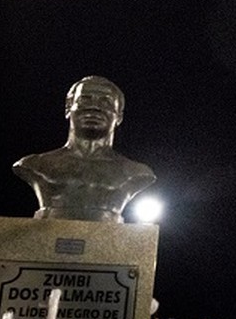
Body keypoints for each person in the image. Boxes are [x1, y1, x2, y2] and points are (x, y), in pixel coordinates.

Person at [12, 75, 156, 222]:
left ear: (119, 116)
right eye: (85, 99)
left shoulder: (135, 172)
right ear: (68, 108)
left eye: (106, 101)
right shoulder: (36, 165)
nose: (94, 107)